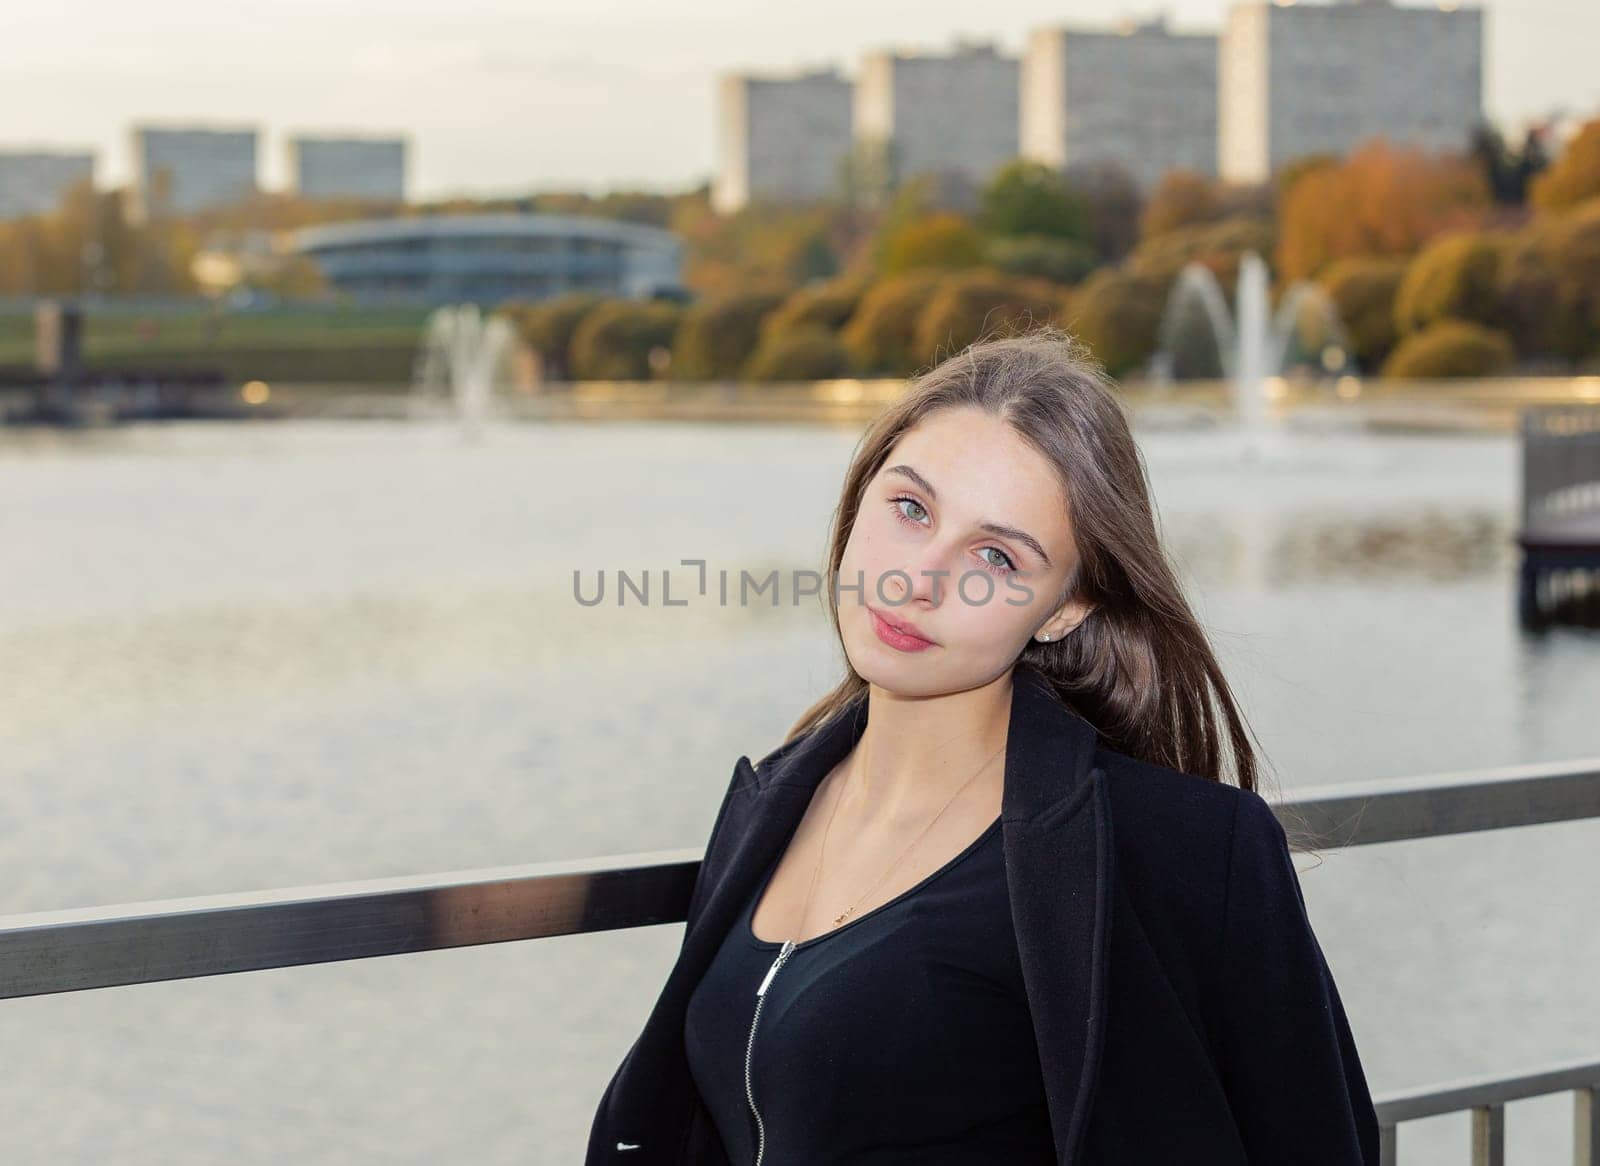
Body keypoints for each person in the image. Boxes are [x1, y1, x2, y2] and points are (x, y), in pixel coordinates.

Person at [586, 325, 1381, 1164]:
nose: (918, 579)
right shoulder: (768, 803)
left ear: (1067, 607)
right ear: (859, 497)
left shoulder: (1180, 852)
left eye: (997, 557)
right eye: (910, 508)